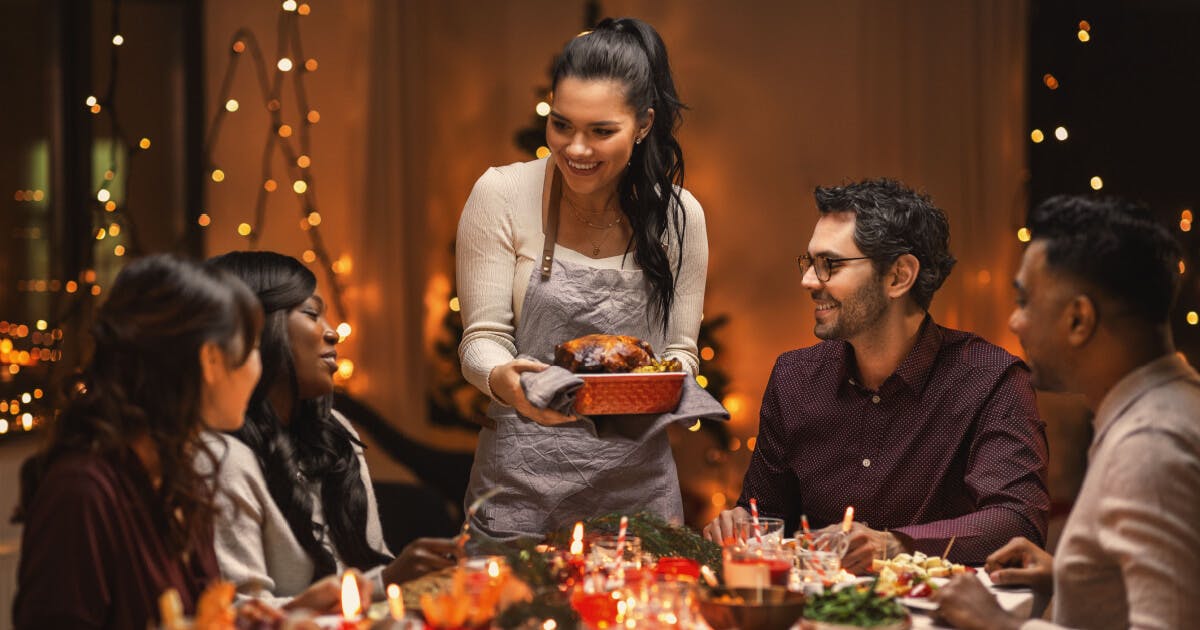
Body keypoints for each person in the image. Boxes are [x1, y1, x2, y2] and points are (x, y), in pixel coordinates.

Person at [704, 179, 1050, 572]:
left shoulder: (990, 379)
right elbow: (765, 516)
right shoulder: (795, 378)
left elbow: (1017, 522)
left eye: (830, 264)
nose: (808, 281)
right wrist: (742, 524)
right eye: (810, 262)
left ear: (899, 276)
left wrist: (894, 544)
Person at [456, 17, 708, 541]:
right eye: (562, 124)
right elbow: (482, 340)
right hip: (519, 492)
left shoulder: (680, 216)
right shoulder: (501, 194)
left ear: (642, 125)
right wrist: (506, 381)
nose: (575, 148)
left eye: (601, 131)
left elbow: (681, 352)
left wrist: (654, 390)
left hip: (639, 502)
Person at [933, 196, 1200, 630]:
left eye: (1024, 301)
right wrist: (1072, 576)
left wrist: (1001, 625)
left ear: (1079, 319)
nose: (1016, 322)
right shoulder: (1172, 402)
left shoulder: (1151, 447)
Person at [12, 255, 267, 629]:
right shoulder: (83, 493)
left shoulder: (178, 478)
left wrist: (285, 617)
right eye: (254, 347)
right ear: (211, 359)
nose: (259, 366)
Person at [204, 251, 457, 609]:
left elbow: (363, 580)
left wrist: (393, 576)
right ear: (256, 330)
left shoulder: (335, 432)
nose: (332, 332)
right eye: (311, 314)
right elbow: (241, 612)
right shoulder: (222, 458)